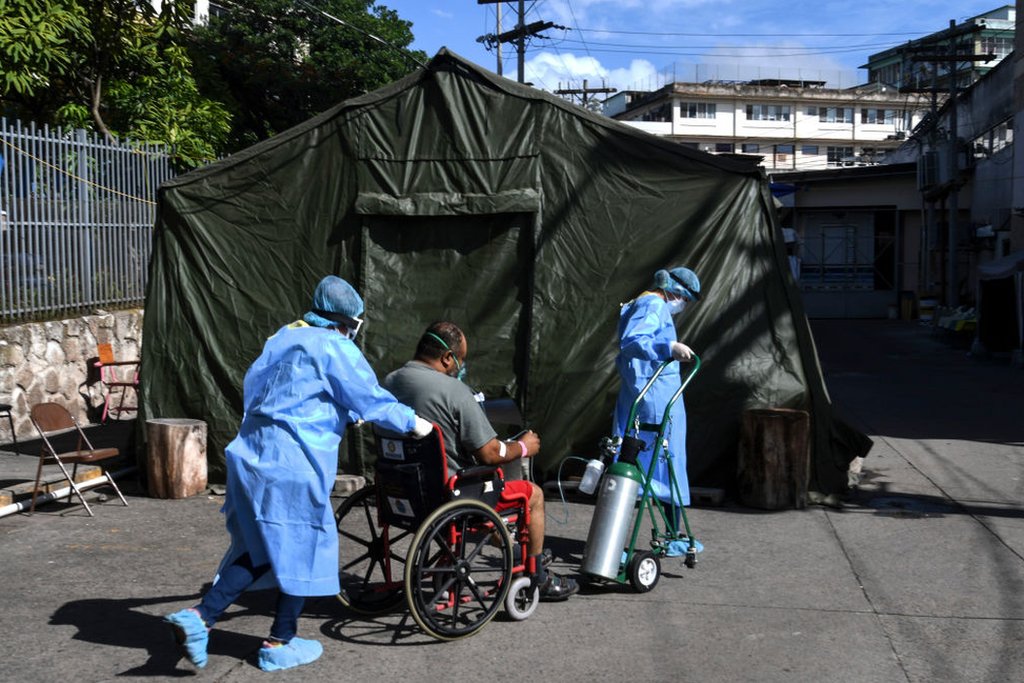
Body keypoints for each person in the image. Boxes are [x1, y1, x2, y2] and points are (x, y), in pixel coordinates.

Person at [164, 275, 432, 672]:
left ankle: (200, 617)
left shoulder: (283, 337)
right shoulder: (335, 346)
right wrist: (414, 422)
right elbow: (369, 396)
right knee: (301, 549)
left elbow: (286, 393)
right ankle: (278, 641)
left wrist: (344, 412)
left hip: (252, 455)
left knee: (262, 550)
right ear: (349, 321)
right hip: (293, 463)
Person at [383, 321, 579, 601]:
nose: (460, 367)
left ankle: (513, 551)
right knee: (531, 495)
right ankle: (534, 575)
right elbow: (489, 453)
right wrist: (523, 447)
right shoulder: (453, 391)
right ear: (447, 358)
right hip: (449, 495)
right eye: (460, 360)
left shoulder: (390, 381)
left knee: (489, 496)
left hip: (401, 490)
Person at [613, 266, 701, 509]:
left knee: (639, 457)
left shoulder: (640, 302)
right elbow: (634, 341)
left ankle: (631, 534)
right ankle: (674, 534)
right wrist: (668, 347)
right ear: (675, 290)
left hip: (642, 390)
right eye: (684, 298)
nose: (683, 303)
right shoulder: (653, 305)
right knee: (667, 459)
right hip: (655, 394)